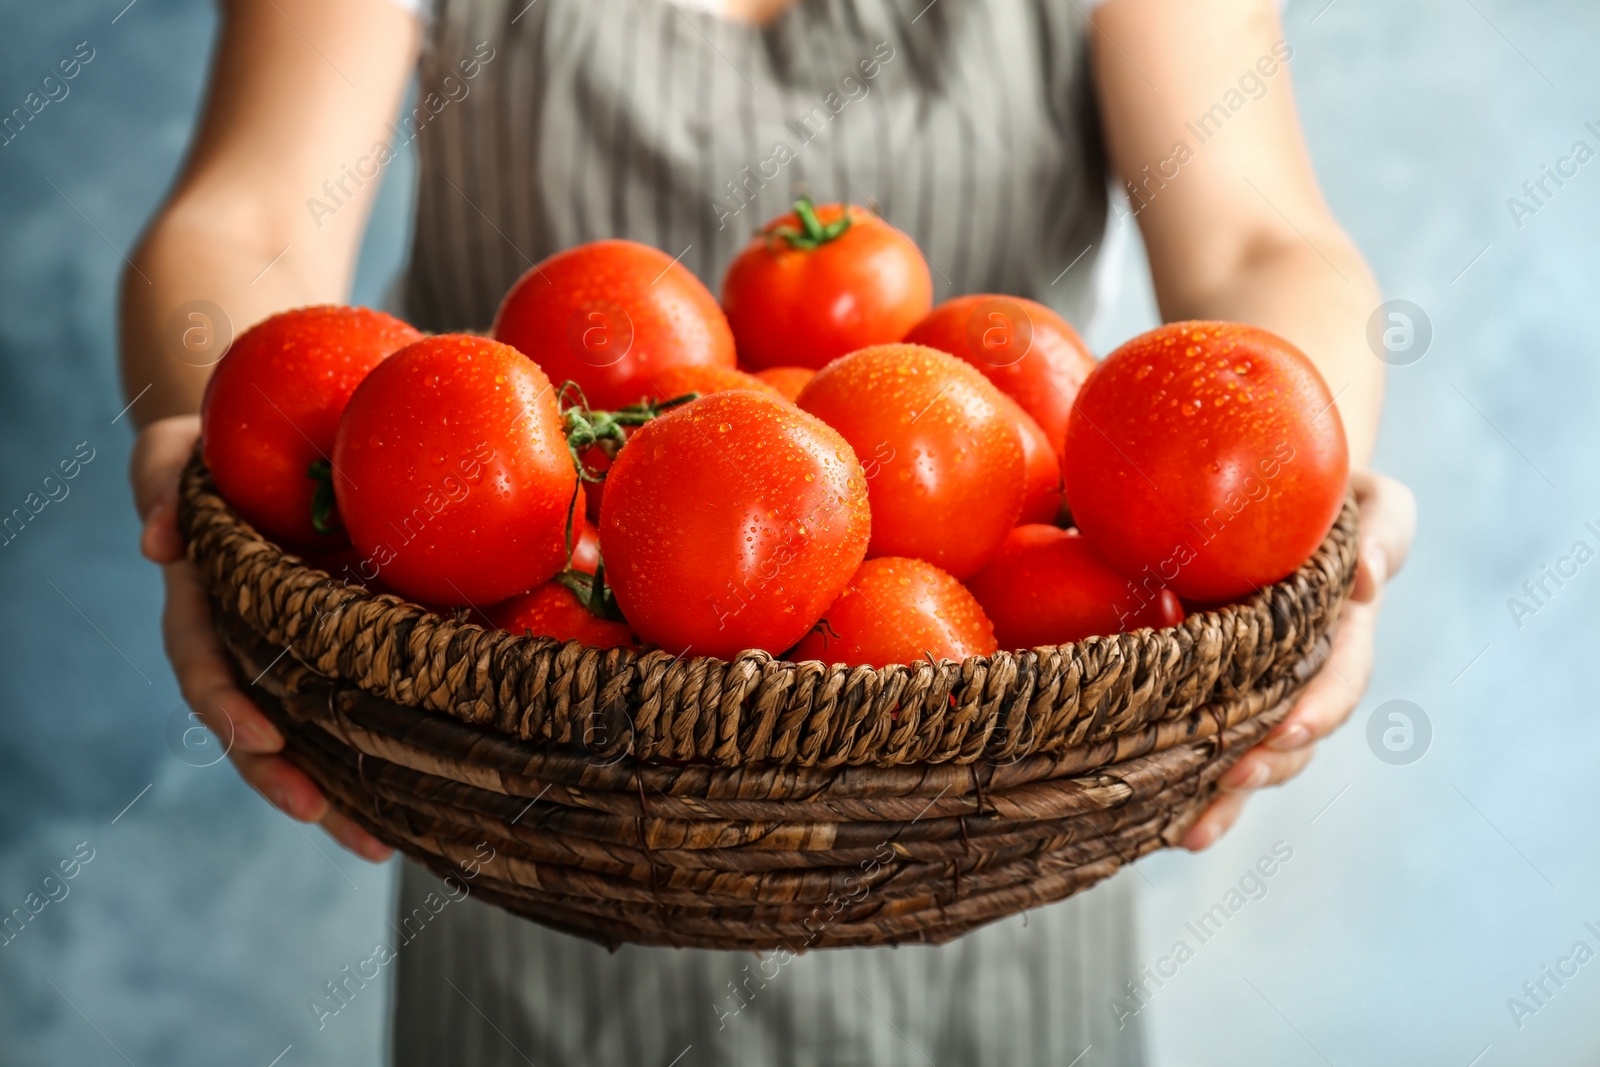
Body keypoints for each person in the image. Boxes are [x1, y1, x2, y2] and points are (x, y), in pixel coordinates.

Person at [121, 0, 1417, 1062]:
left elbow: (1261, 238)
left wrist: (1304, 482)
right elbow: (250, 216)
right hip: (534, 795)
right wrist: (207, 438)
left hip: (996, 788)